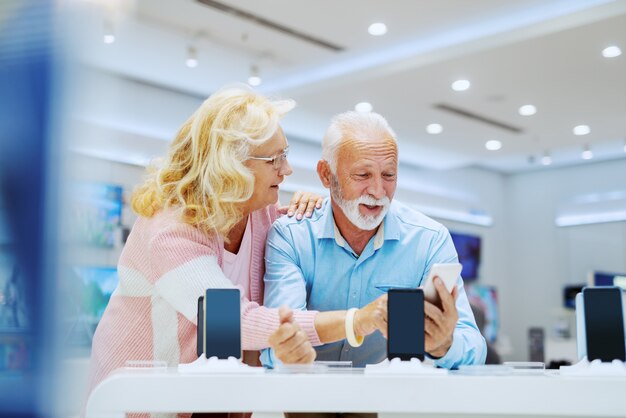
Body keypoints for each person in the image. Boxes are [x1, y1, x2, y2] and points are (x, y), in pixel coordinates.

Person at [83, 87, 388, 418]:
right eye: (275, 159)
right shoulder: (170, 227)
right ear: (232, 166)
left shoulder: (256, 212)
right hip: (140, 403)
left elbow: (288, 228)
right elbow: (237, 321)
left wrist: (310, 207)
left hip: (213, 403)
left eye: (285, 154)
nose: (286, 170)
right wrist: (354, 321)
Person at [262, 111, 487, 372]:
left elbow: (474, 348)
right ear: (326, 175)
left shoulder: (429, 240)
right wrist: (289, 347)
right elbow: (277, 343)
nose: (378, 191)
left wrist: (443, 345)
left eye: (389, 175)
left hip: (387, 402)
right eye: (363, 175)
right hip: (307, 398)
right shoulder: (291, 235)